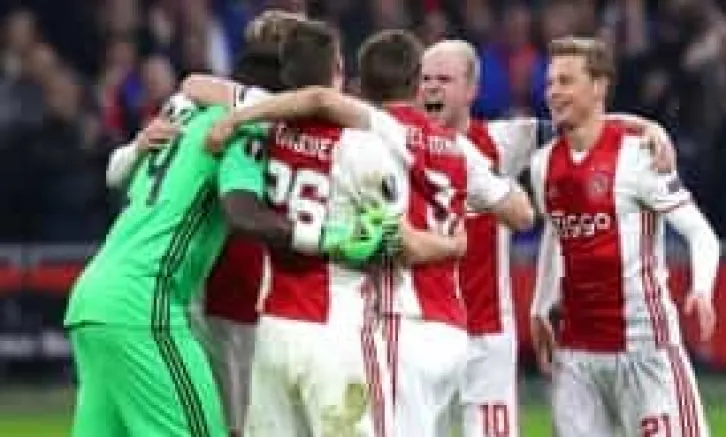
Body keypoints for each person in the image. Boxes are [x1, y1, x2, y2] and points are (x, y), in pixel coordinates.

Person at [205, 29, 537, 437]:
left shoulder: (357, 132)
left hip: (371, 321)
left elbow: (200, 86)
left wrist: (234, 118)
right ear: (416, 82)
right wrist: (456, 241)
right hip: (446, 325)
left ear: (359, 85)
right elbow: (522, 214)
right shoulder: (453, 148)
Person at [64, 55, 393, 437]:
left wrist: (137, 146)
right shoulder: (243, 131)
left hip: (93, 298)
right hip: (145, 303)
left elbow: (116, 172)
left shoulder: (183, 116)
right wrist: (332, 238)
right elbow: (242, 212)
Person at [418, 39, 677, 437]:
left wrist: (648, 127)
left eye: (444, 79)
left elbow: (585, 121)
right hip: (426, 330)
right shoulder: (401, 144)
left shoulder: (503, 141)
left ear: (471, 90)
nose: (432, 87)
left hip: (487, 336)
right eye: (425, 79)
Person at [528, 36, 719, 437]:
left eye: (566, 81)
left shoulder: (639, 156)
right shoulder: (543, 164)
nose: (553, 92)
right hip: (576, 357)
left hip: (645, 348)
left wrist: (702, 288)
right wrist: (540, 305)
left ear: (598, 86)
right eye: (550, 83)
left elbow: (701, 233)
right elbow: (555, 233)